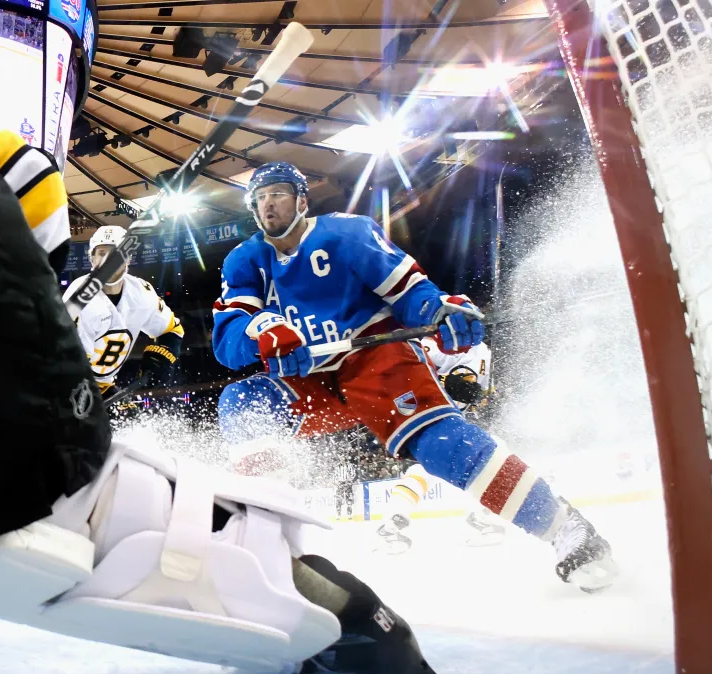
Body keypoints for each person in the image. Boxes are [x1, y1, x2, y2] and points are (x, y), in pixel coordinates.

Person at [0, 14, 437, 674]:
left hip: (68, 375)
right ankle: (76, 491)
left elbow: (172, 335)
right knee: (23, 471)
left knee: (26, 454)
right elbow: (30, 180)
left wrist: (150, 357)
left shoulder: (140, 296)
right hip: (15, 367)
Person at [214, 161, 618, 591]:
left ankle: (564, 527)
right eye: (259, 198)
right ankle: (272, 546)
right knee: (241, 402)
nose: (267, 203)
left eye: (276, 193)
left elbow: (411, 293)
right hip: (308, 376)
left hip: (372, 357)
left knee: (441, 443)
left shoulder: (346, 233)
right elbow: (228, 341)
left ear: (301, 199)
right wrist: (261, 333)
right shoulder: (244, 260)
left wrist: (439, 310)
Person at [375, 336, 507, 552]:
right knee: (492, 455)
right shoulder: (436, 344)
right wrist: (444, 382)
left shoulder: (482, 351)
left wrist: (479, 393)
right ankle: (482, 520)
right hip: (434, 417)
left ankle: (391, 524)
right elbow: (404, 369)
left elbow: (475, 393)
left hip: (448, 419)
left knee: (423, 468)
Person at [64, 225, 184, 404]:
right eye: (102, 252)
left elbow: (172, 330)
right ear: (92, 259)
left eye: (115, 254)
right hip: (65, 386)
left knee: (133, 425)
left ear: (127, 258)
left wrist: (160, 360)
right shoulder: (80, 299)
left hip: (102, 386)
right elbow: (68, 364)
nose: (108, 260)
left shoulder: (141, 292)